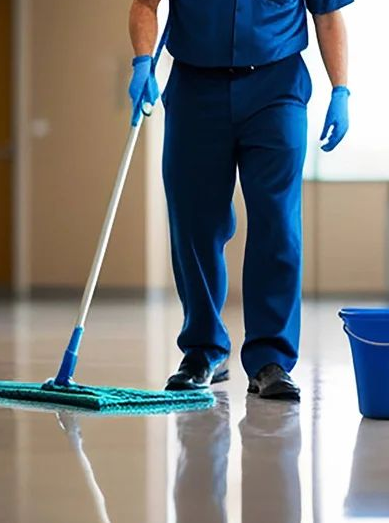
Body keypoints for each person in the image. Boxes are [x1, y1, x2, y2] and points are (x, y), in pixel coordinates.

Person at [128, 0, 353, 400]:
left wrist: (341, 89)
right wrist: (142, 61)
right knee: (194, 221)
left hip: (276, 87)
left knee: (278, 224)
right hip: (196, 89)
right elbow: (145, 4)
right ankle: (203, 351)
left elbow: (328, 15)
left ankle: (272, 360)